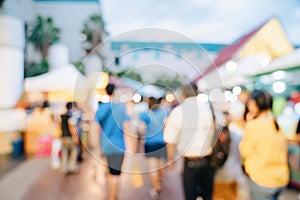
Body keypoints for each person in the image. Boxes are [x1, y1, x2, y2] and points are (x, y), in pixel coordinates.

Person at [164, 83, 225, 200]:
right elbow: (222, 123)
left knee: (190, 195)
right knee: (207, 194)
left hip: (189, 163)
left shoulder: (177, 112)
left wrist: (171, 158)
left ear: (182, 94)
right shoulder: (209, 108)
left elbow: (170, 140)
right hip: (209, 160)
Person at [239, 90, 289, 200]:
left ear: (254, 104)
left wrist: (248, 124)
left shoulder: (253, 126)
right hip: (280, 178)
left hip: (262, 179)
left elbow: (244, 151)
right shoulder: (276, 123)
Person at [95, 83, 130, 200]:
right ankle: (112, 197)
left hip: (105, 145)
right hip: (118, 146)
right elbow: (126, 128)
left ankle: (113, 194)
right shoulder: (121, 107)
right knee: (115, 175)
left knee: (110, 172)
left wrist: (97, 146)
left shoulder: (102, 108)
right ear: (115, 91)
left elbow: (96, 128)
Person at [139, 97, 168, 199]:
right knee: (160, 165)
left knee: (152, 168)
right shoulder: (162, 113)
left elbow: (141, 130)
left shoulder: (144, 115)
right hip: (161, 142)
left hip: (150, 143)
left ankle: (156, 189)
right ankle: (159, 181)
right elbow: (166, 126)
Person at [60, 102, 79, 175]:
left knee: (65, 153)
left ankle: (64, 168)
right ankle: (72, 167)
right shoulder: (70, 116)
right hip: (69, 137)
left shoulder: (63, 116)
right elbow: (72, 128)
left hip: (63, 137)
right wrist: (76, 137)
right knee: (73, 152)